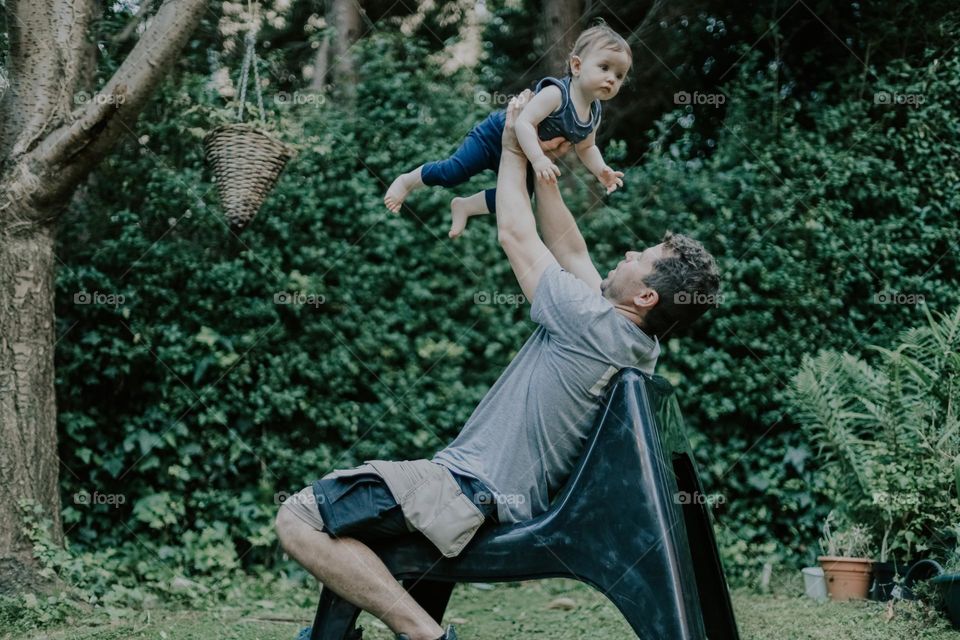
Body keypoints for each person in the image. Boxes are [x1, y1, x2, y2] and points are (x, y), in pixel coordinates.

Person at [275, 90, 720, 640]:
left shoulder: (589, 322)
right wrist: (543, 170)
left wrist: (512, 144)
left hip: (466, 488)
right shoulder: (632, 341)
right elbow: (569, 247)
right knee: (350, 522)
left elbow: (516, 234)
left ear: (646, 296)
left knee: (298, 518)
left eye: (641, 257)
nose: (628, 254)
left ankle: (425, 636)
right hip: (492, 496)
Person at [383, 22, 631, 239]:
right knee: (452, 172)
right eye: (604, 67)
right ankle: (407, 181)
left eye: (619, 75)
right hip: (494, 136)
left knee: (517, 199)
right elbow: (523, 123)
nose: (612, 78)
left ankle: (465, 206)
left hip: (524, 155)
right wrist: (539, 159)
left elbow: (587, 147)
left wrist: (601, 170)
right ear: (577, 66)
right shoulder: (556, 94)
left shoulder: (594, 114)